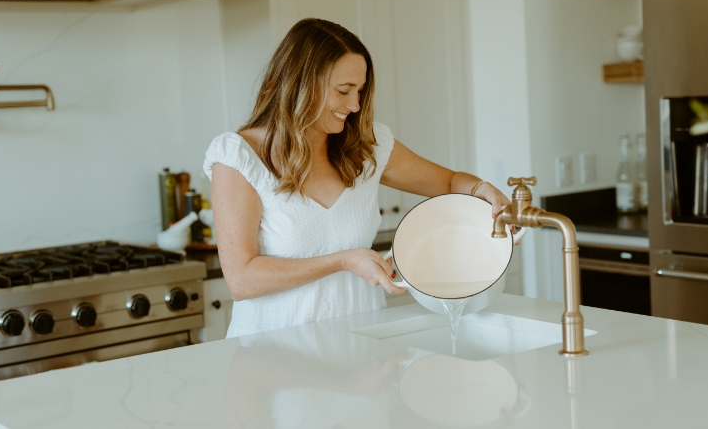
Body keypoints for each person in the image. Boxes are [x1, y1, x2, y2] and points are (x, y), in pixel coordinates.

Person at [203, 18, 511, 338]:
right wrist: (344, 261)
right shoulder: (239, 156)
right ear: (301, 83)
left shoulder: (367, 147)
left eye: (360, 91)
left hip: (361, 351)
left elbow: (449, 183)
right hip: (273, 359)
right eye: (343, 91)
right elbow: (241, 279)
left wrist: (481, 189)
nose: (355, 105)